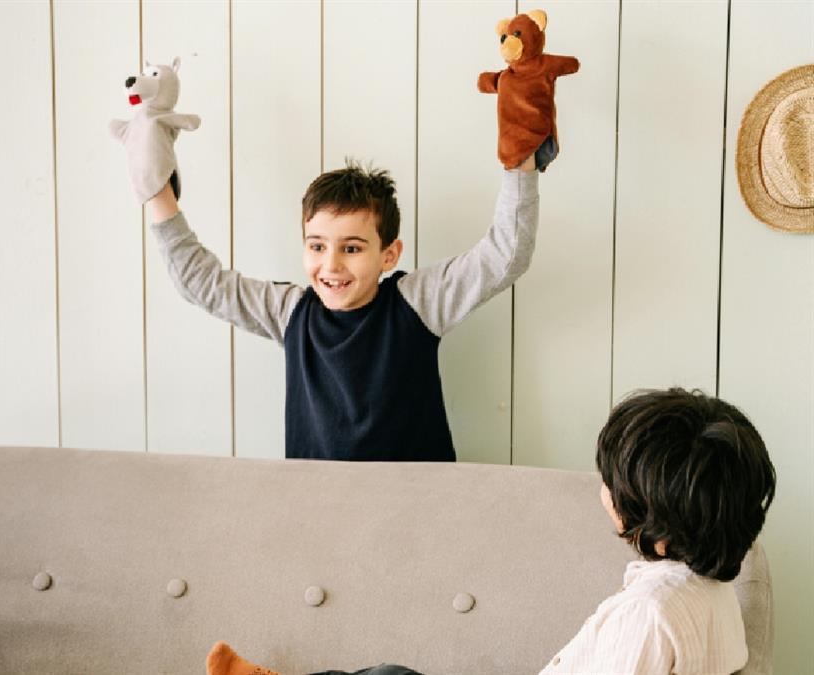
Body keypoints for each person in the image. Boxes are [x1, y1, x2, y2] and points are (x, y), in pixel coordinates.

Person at [204, 388, 777, 675]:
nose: (601, 486)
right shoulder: (712, 593)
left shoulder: (651, 614)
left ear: (645, 516)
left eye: (610, 480)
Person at [126, 137, 540, 461]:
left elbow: (505, 254)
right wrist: (157, 190)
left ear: (389, 255)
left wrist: (520, 159)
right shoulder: (289, 312)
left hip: (419, 509)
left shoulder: (418, 303)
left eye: (353, 248)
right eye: (317, 246)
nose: (332, 266)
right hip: (318, 508)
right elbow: (202, 282)